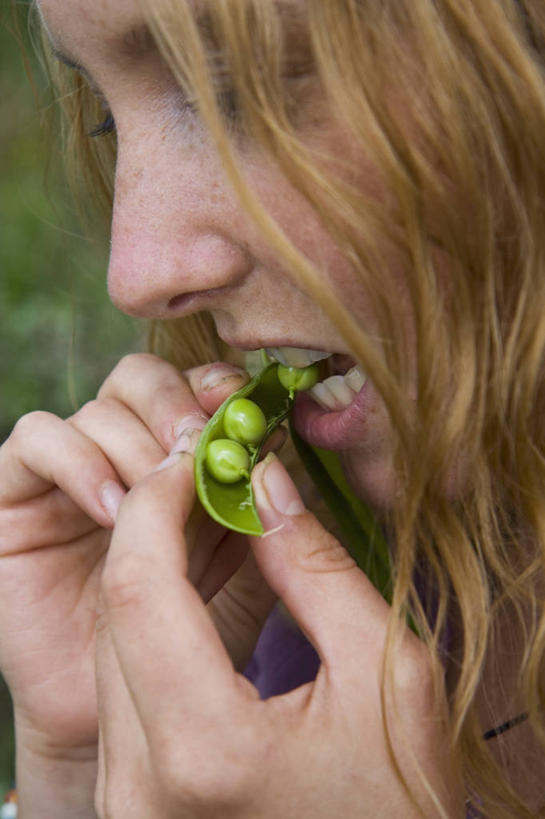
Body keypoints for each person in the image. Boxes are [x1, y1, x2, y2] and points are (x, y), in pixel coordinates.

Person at [1, 0, 544, 815]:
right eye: (109, 122)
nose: (138, 273)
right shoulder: (287, 661)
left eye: (235, 93)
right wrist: (83, 762)